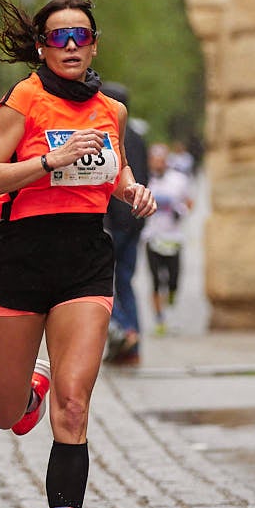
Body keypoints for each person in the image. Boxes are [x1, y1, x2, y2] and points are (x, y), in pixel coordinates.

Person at [0, 0, 155, 508]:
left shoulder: (112, 111)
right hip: (18, 259)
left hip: (83, 260)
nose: (70, 47)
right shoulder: (23, 99)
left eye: (81, 36)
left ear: (94, 44)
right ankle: (28, 390)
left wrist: (131, 192)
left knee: (73, 408)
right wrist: (48, 161)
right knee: (8, 417)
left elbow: (113, 169)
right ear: (43, 47)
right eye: (58, 38)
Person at [101, 83, 148, 366]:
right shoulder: (139, 139)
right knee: (126, 283)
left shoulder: (107, 135)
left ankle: (124, 331)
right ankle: (133, 343)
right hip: (134, 220)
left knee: (99, 283)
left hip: (111, 222)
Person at [142, 143, 193, 336]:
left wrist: (183, 212)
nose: (158, 164)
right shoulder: (145, 180)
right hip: (152, 237)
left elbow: (189, 201)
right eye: (155, 160)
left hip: (174, 238)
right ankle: (159, 320)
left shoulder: (179, 180)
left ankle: (171, 296)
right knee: (155, 281)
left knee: (173, 282)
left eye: (161, 160)